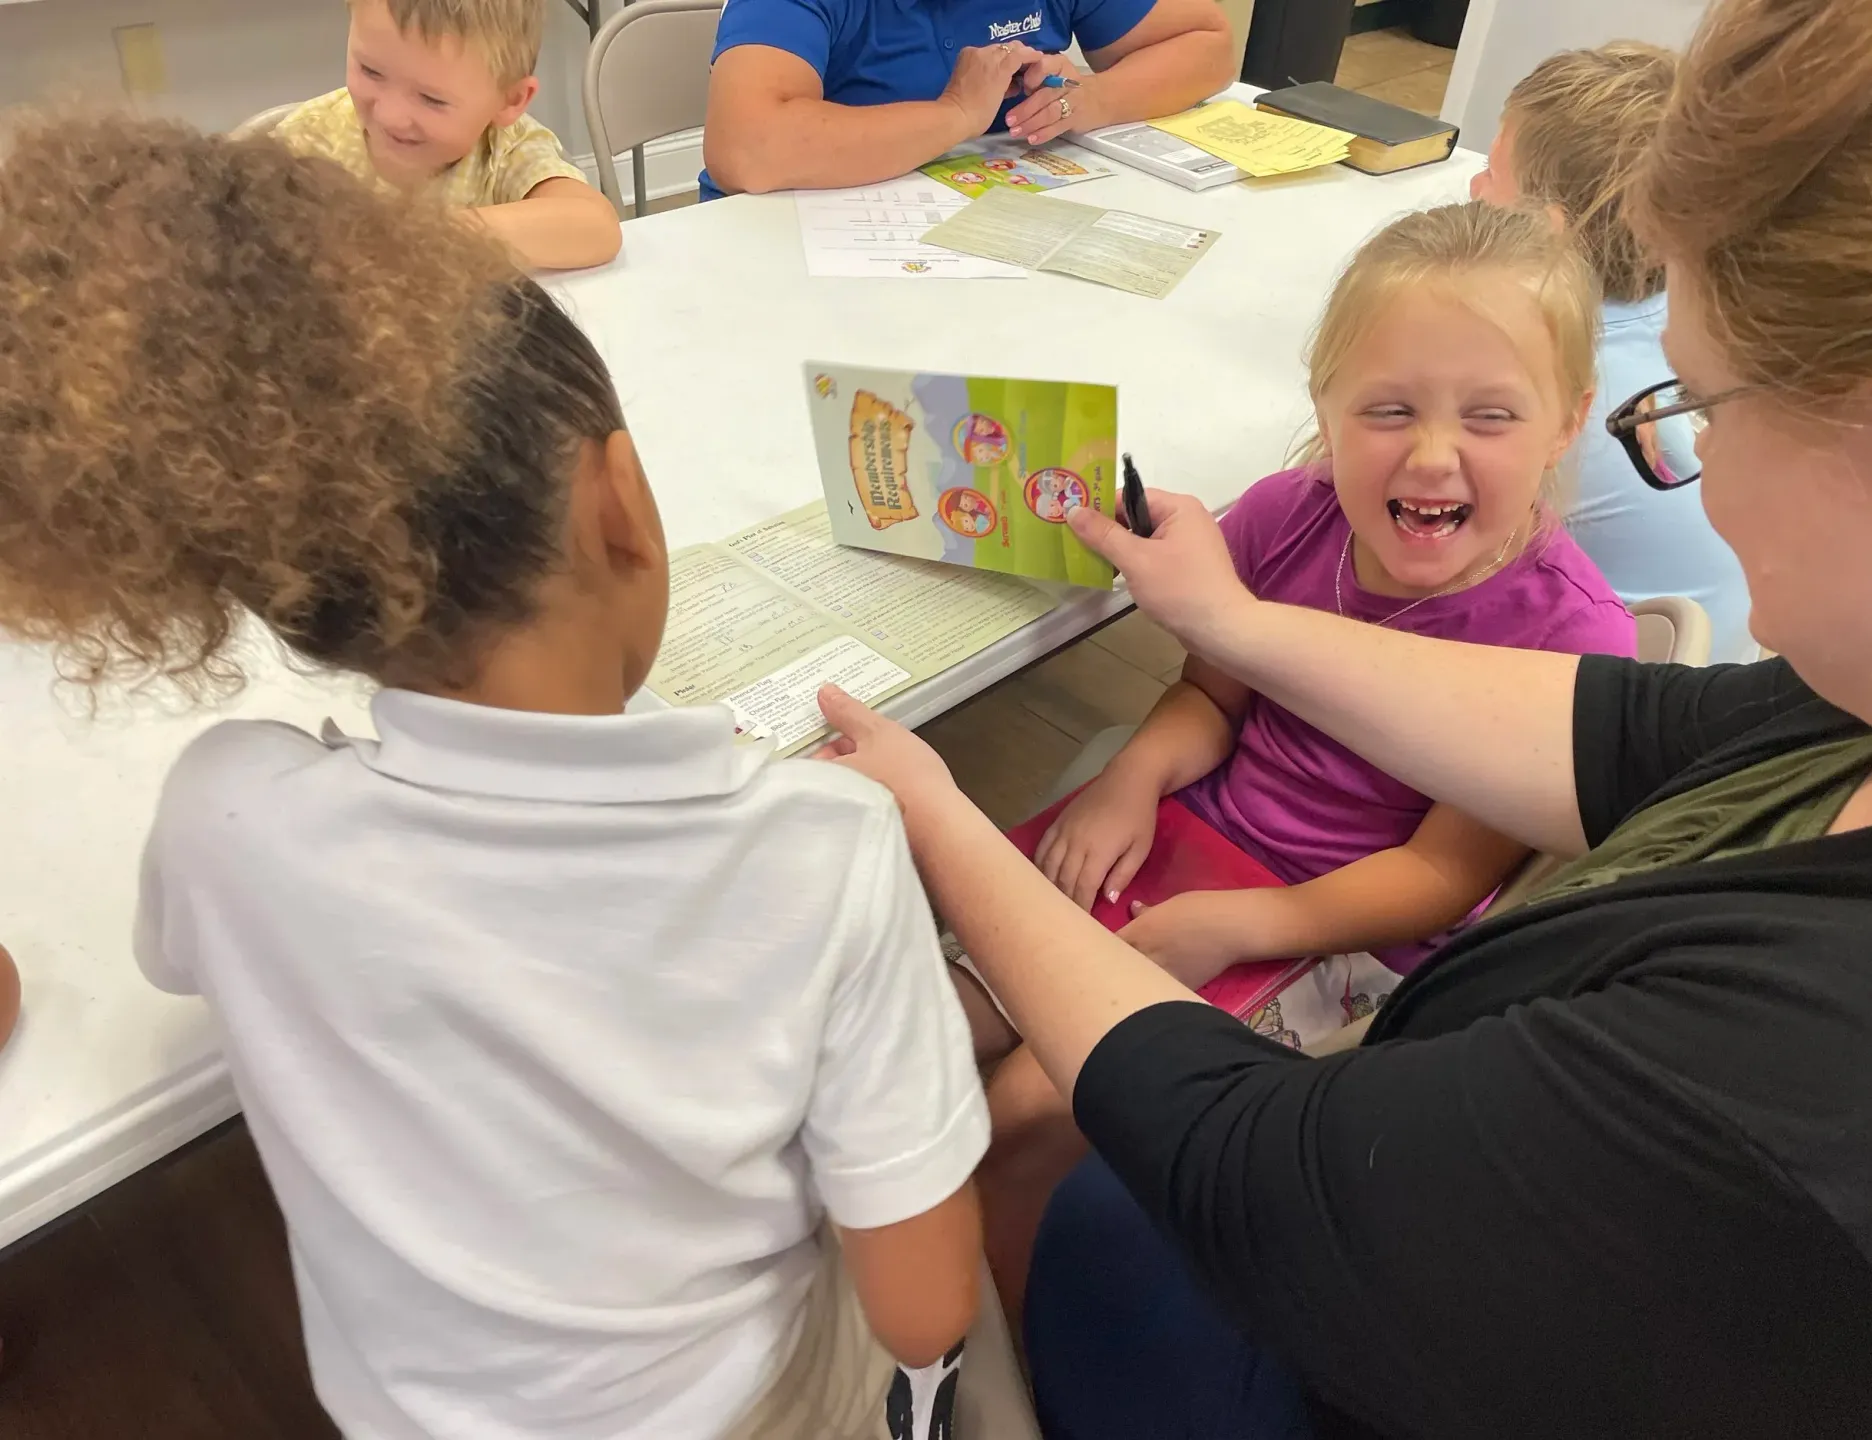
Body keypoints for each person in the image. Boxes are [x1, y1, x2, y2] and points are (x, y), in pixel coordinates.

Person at [815, 0, 1872, 1433]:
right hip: (1235, 916)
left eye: (1700, 406)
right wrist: (1204, 664)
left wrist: (949, 817)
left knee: (1021, 1104)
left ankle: (962, 1342)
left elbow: (1263, 1157)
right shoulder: (1819, 726)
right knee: (930, 990)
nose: (1695, 474)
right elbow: (1564, 733)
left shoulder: (1801, 1078)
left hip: (1300, 1009)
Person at [0, 115, 986, 1440]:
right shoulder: (831, 849)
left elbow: (196, 964)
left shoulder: (224, 816)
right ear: (619, 501)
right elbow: (922, 1314)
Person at [966, 201, 1638, 1314]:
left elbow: (1441, 875)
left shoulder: (1567, 638)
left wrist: (1239, 925)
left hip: (1343, 934)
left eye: (1490, 415)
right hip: (1187, 849)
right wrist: (1135, 775)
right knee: (931, 996)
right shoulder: (1287, 515)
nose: (1432, 454)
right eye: (1386, 409)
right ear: (1323, 405)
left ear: (1565, 423)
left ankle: (992, 1355)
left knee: (1032, 1110)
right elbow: (1209, 693)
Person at [1473, 42, 1756, 661]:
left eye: (1491, 175)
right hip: (1720, 662)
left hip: (1613, 690)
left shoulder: (1540, 371)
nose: (1472, 187)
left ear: (1544, 228)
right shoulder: (1690, 320)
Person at [699, 0, 1234, 198]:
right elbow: (747, 148)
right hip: (792, 250)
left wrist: (1090, 98)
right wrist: (954, 113)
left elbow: (1210, 44)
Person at [272, 0, 622, 271]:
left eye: (431, 99)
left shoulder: (506, 150)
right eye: (370, 70)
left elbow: (598, 228)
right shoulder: (307, 144)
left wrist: (431, 235)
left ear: (510, 100)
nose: (390, 116)